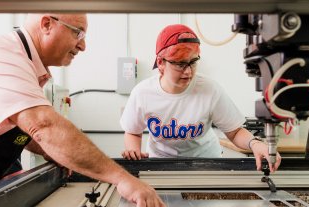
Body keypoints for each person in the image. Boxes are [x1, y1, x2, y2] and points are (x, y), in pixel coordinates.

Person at [0, 13, 172, 207]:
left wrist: (50, 150)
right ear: (47, 24)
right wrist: (123, 179)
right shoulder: (2, 58)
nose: (83, 46)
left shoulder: (24, 63)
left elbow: (21, 129)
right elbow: (44, 126)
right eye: (78, 33)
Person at [120, 24, 281, 172]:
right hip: (161, 166)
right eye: (180, 64)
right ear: (161, 63)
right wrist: (134, 152)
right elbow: (133, 132)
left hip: (206, 164)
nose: (188, 71)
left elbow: (235, 132)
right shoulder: (142, 93)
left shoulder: (209, 89)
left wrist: (255, 144)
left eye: (193, 62)